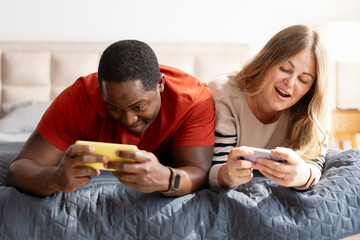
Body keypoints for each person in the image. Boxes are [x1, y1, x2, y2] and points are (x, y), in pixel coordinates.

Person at [6, 40, 215, 197]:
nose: (129, 119)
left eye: (138, 106)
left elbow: (200, 172)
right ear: (101, 90)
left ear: (160, 84)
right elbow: (19, 170)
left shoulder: (193, 100)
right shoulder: (77, 99)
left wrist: (168, 179)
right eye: (113, 107)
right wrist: (55, 178)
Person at [208, 25, 330, 190]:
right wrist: (228, 175)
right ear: (267, 62)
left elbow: (315, 165)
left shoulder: (311, 110)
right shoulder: (224, 94)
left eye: (303, 80)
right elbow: (213, 169)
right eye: (284, 69)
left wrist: (303, 176)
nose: (290, 83)